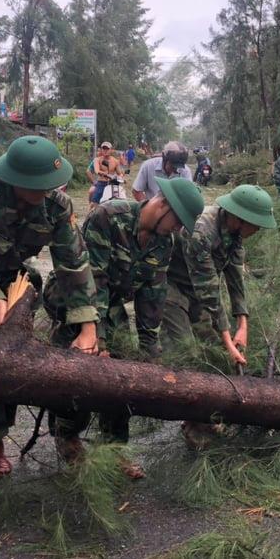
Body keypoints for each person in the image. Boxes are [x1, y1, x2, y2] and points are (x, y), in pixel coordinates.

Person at [0, 136, 97, 501]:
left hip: (17, 281)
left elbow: (73, 263)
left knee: (11, 358)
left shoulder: (57, 207)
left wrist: (88, 325)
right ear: (14, 180)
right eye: (38, 187)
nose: (46, 192)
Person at [43, 177, 206, 473]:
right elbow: (95, 281)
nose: (178, 230)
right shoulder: (108, 217)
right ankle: (67, 435)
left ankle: (114, 447)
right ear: (162, 205)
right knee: (79, 364)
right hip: (73, 297)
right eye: (177, 221)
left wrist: (149, 350)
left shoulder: (163, 242)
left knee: (123, 369)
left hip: (110, 303)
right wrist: (99, 338)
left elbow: (152, 295)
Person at [161, 184, 276, 447]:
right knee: (186, 351)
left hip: (198, 292)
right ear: (238, 217)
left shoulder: (235, 235)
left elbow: (235, 278)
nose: (256, 230)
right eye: (255, 225)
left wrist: (242, 324)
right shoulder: (202, 231)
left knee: (211, 351)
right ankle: (192, 423)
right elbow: (210, 289)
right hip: (172, 287)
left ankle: (208, 412)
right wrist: (228, 339)